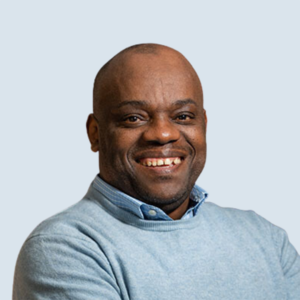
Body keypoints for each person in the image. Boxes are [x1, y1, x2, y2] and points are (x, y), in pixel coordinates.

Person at [13, 44, 300, 300]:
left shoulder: (265, 238)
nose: (163, 133)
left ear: (204, 124)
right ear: (95, 134)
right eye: (133, 118)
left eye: (183, 116)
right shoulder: (64, 249)